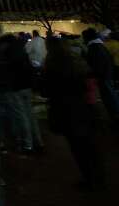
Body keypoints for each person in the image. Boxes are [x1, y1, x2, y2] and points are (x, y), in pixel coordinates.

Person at [43, 39, 105, 190]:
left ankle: (89, 179)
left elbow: (45, 90)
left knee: (78, 148)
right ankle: (98, 177)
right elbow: (90, 85)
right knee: (91, 145)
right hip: (85, 108)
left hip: (66, 111)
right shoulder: (78, 61)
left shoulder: (51, 65)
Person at [82, 28, 119, 124]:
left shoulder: (94, 47)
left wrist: (93, 74)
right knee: (111, 96)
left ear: (87, 37)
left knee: (109, 97)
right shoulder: (99, 45)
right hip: (106, 75)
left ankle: (116, 117)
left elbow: (97, 64)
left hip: (103, 76)